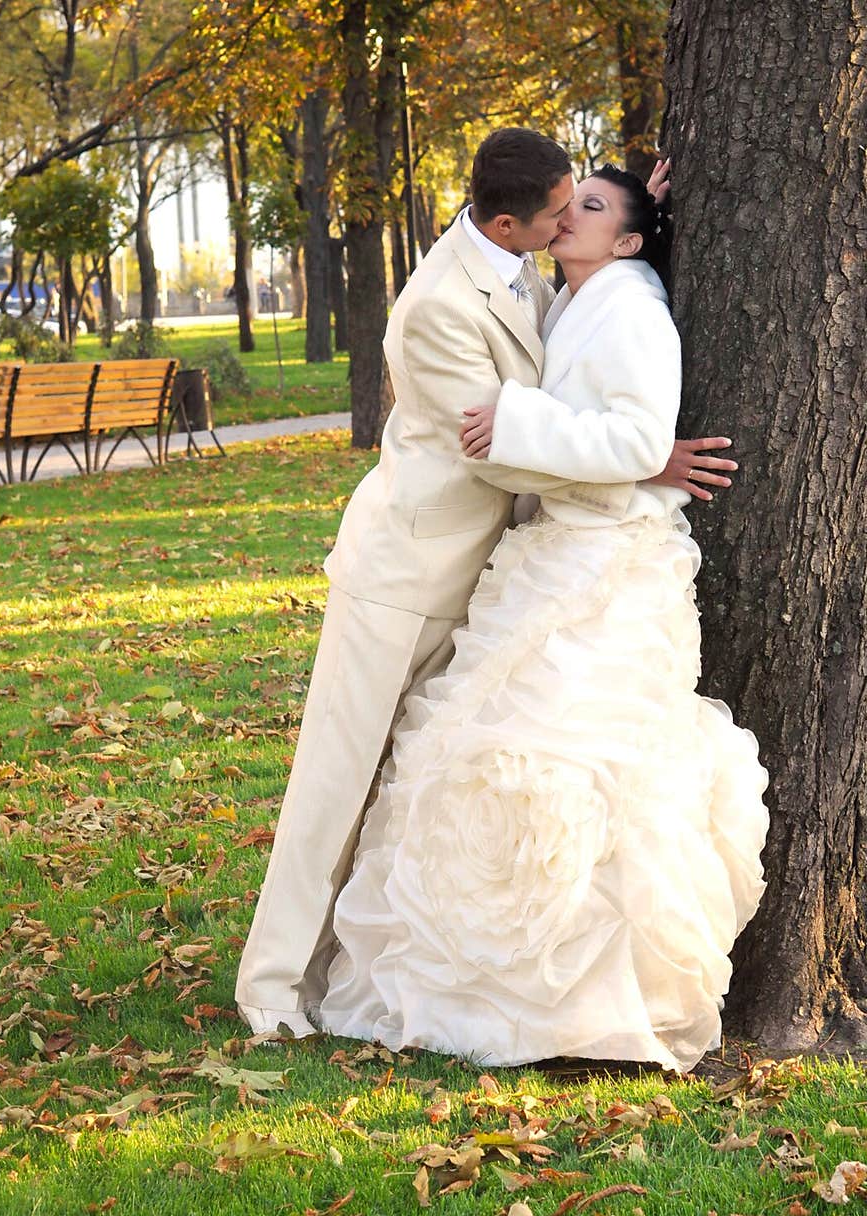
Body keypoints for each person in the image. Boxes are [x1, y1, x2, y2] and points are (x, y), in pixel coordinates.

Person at [235, 130, 739, 1042]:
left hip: (485, 577)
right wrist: (646, 463)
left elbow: (581, 329)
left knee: (402, 777)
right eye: (559, 211)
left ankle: (333, 959)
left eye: (580, 208)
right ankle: (271, 985)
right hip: (406, 570)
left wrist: (642, 209)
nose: (563, 226)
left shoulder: (523, 264)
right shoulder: (433, 308)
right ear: (511, 221)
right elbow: (505, 454)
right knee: (336, 778)